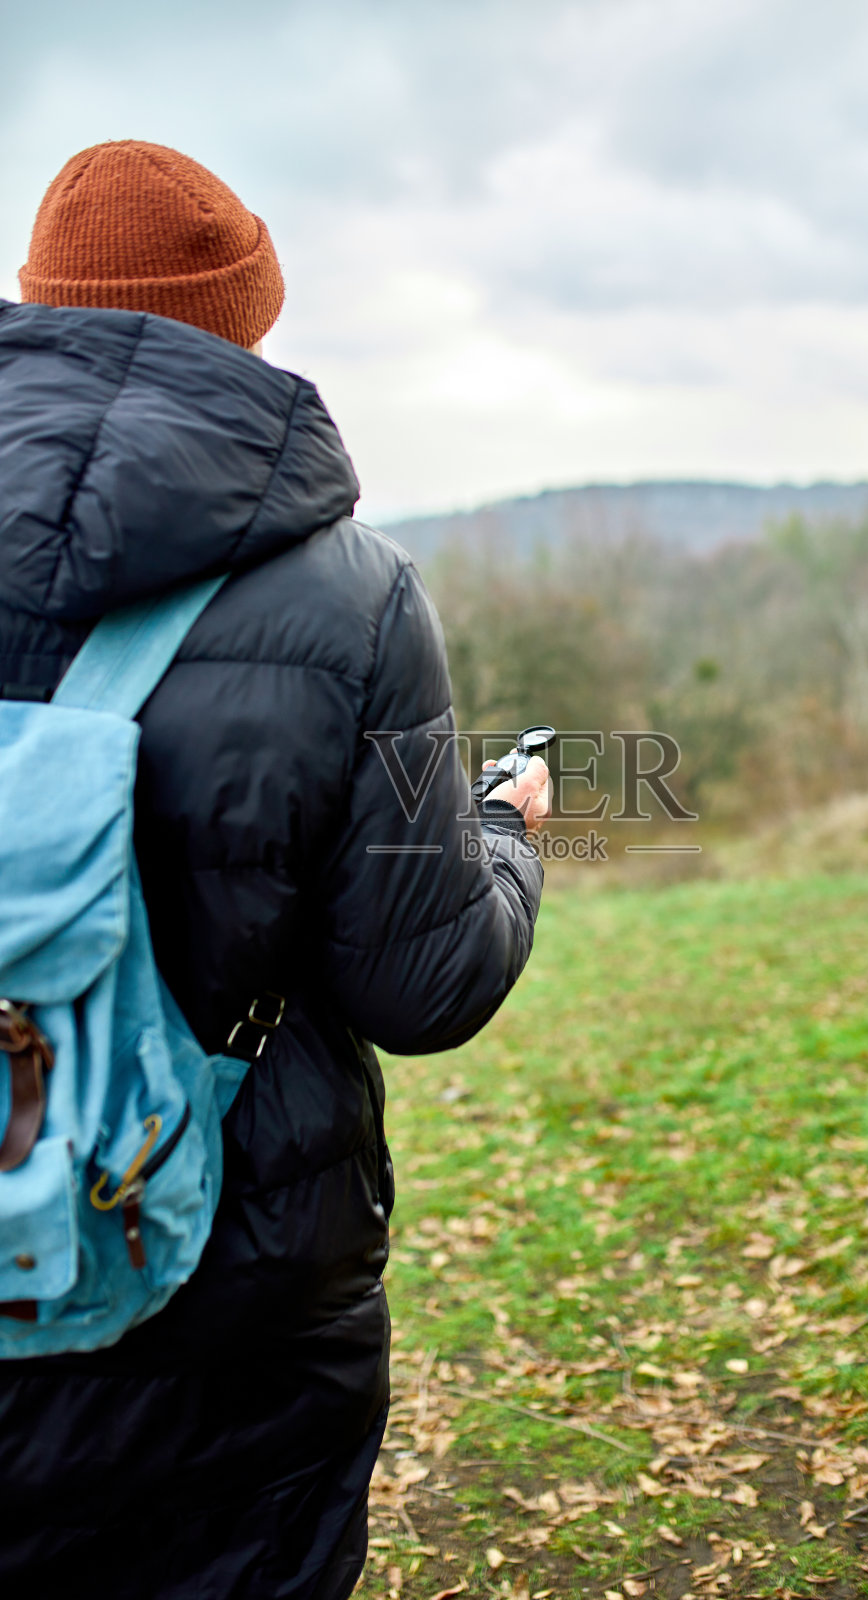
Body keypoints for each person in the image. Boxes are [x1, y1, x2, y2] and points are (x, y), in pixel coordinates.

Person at [0, 140, 549, 1600]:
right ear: (249, 315)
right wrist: (504, 829)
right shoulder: (352, 597)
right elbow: (426, 983)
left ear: (38, 298)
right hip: (227, 1279)